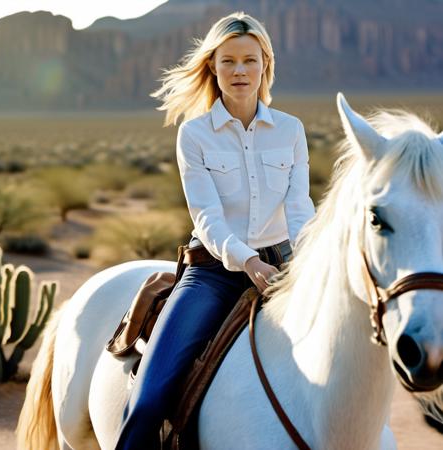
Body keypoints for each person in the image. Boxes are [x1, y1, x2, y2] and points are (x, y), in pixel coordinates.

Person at [114, 11, 315, 449]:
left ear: (266, 64)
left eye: (249, 60)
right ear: (212, 66)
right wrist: (247, 260)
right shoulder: (195, 134)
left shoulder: (291, 130)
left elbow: (300, 209)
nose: (239, 71)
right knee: (148, 402)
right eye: (228, 61)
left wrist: (307, 263)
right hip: (212, 272)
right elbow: (206, 217)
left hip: (283, 268)